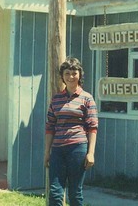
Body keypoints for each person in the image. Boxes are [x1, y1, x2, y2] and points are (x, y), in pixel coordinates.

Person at [44, 57, 98, 206]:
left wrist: (91, 153)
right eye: (67, 73)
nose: (71, 77)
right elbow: (50, 126)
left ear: (80, 75)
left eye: (74, 73)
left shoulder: (87, 98)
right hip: (58, 151)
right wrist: (47, 152)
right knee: (55, 193)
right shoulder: (56, 99)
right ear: (62, 76)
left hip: (77, 149)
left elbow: (93, 127)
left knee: (75, 193)